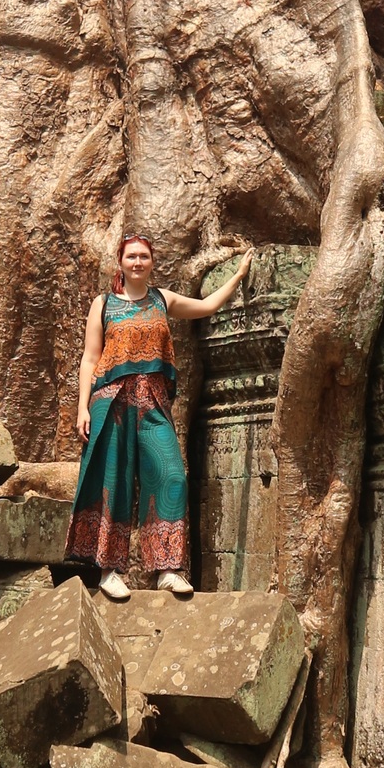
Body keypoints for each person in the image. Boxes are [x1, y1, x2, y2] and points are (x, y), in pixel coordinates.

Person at [68, 235, 254, 601]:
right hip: (112, 400)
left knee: (171, 476)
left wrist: (240, 272)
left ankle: (167, 569)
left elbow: (207, 305)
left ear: (152, 262)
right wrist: (82, 407)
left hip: (153, 401)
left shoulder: (162, 299)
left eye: (144, 256)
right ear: (120, 263)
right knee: (114, 482)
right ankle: (109, 570)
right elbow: (90, 359)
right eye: (131, 256)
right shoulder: (102, 304)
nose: (137, 262)